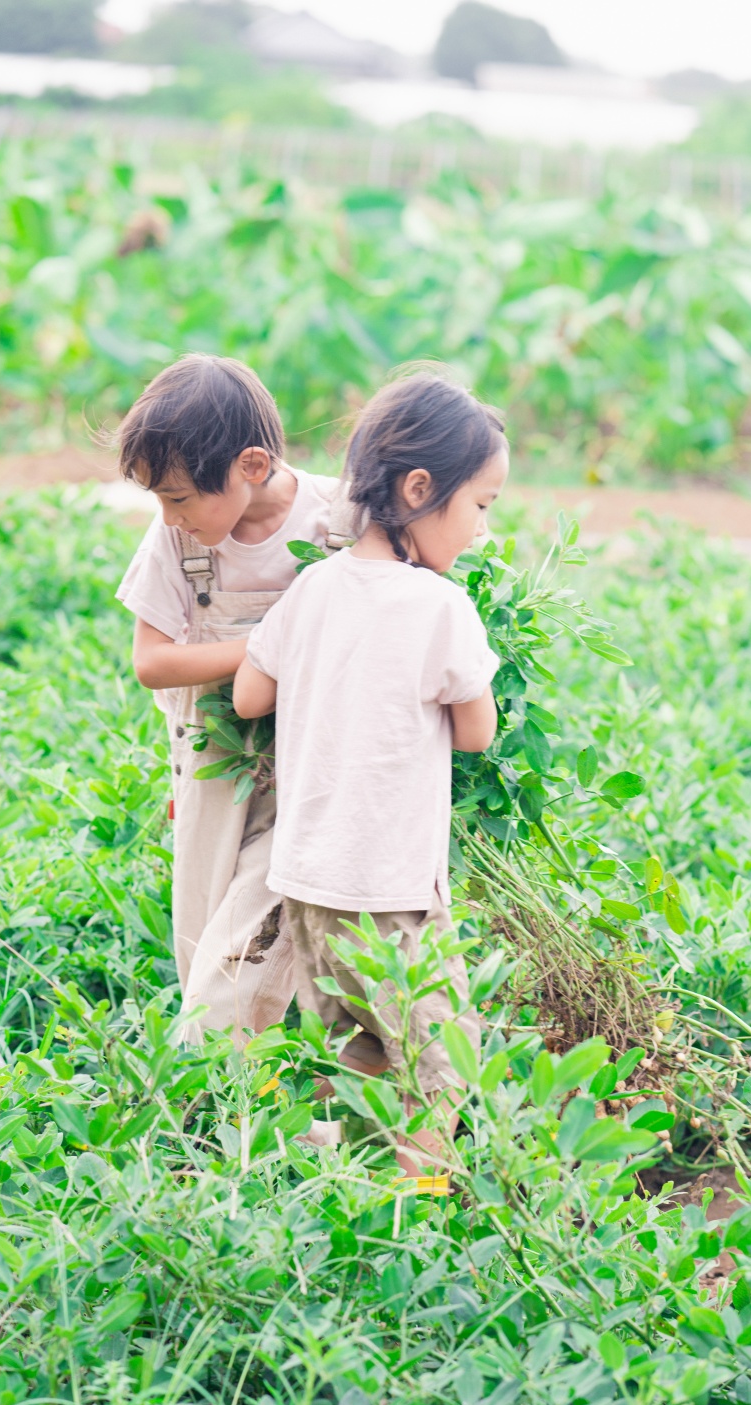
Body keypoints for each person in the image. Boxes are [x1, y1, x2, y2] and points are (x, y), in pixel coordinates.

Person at [232, 371, 505, 1179]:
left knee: (359, 1050)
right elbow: (477, 734)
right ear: (420, 489)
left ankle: (347, 1191)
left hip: (309, 887)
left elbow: (250, 694)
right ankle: (412, 1216)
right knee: (440, 1065)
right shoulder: (440, 606)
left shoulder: (312, 587)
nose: (484, 531)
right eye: (481, 506)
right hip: (391, 897)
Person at [116, 353, 351, 1043]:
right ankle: (257, 1120)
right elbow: (153, 661)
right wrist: (275, 649)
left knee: (240, 962)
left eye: (181, 497)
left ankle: (209, 1103)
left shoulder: (341, 517)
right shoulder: (178, 541)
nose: (169, 516)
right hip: (215, 770)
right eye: (158, 499)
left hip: (312, 774)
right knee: (201, 950)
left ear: (251, 466)